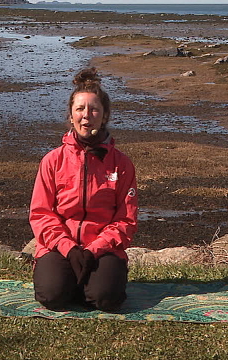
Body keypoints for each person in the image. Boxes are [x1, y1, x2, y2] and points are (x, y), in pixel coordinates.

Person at [29, 67, 138, 312]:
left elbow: (126, 220)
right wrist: (68, 248)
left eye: (93, 109)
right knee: (52, 297)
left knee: (105, 299)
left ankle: (93, 282)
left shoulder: (122, 164)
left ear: (105, 115)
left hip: (102, 249)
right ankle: (67, 280)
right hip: (59, 246)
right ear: (71, 115)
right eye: (80, 109)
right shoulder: (52, 160)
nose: (86, 115)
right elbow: (41, 214)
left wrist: (93, 250)